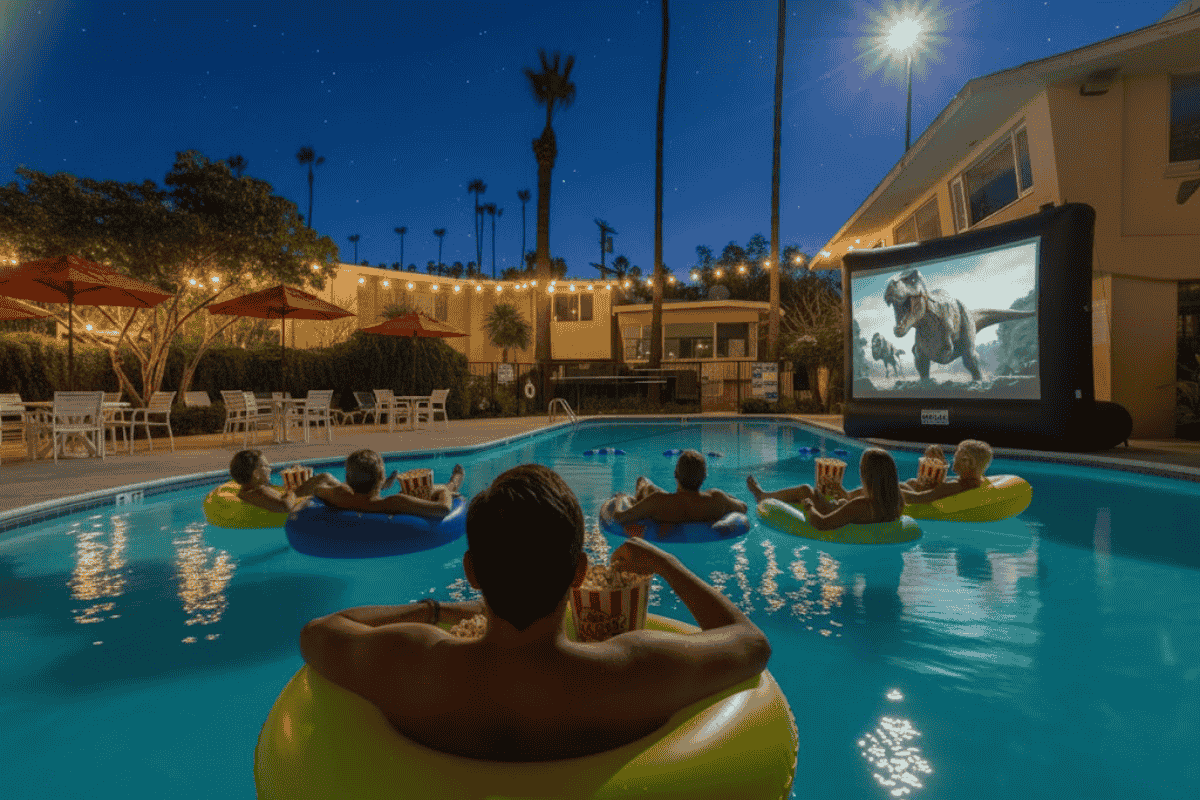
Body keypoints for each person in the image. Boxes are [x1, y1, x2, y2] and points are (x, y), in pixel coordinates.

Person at [300, 463, 772, 762]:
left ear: (472, 572)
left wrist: (431, 609)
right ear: (579, 573)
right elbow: (750, 642)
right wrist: (668, 564)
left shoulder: (416, 662)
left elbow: (319, 632)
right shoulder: (631, 669)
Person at [746, 448, 905, 531]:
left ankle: (762, 495)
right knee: (815, 492)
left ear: (867, 475)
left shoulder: (863, 505)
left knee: (805, 490)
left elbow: (821, 524)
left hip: (830, 516)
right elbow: (854, 507)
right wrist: (842, 497)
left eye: (862, 468)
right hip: (844, 512)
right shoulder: (897, 500)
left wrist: (808, 506)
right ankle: (765, 494)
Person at [600, 449, 747, 528]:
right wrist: (725, 497)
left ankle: (635, 497)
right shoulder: (717, 498)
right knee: (648, 486)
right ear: (704, 477)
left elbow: (619, 518)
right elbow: (743, 507)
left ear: (675, 474)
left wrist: (620, 497)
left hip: (667, 504)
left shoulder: (657, 501)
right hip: (689, 502)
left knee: (642, 482)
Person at [314, 448, 464, 517]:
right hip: (395, 509)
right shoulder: (394, 502)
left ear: (347, 479)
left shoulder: (340, 495)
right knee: (430, 490)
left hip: (359, 496)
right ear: (380, 477)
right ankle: (453, 484)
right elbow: (443, 509)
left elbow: (318, 488)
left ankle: (384, 486)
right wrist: (444, 492)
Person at [229, 449, 338, 514]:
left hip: (293, 496)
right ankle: (350, 495)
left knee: (319, 480)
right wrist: (293, 491)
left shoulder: (248, 490)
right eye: (266, 466)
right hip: (295, 501)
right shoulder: (257, 492)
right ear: (256, 474)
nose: (270, 469)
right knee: (324, 477)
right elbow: (285, 506)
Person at [901, 439, 993, 505]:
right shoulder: (975, 482)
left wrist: (890, 489)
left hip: (924, 507)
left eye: (957, 456)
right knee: (912, 482)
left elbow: (917, 498)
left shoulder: (953, 487)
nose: (954, 459)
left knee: (902, 485)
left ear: (967, 462)